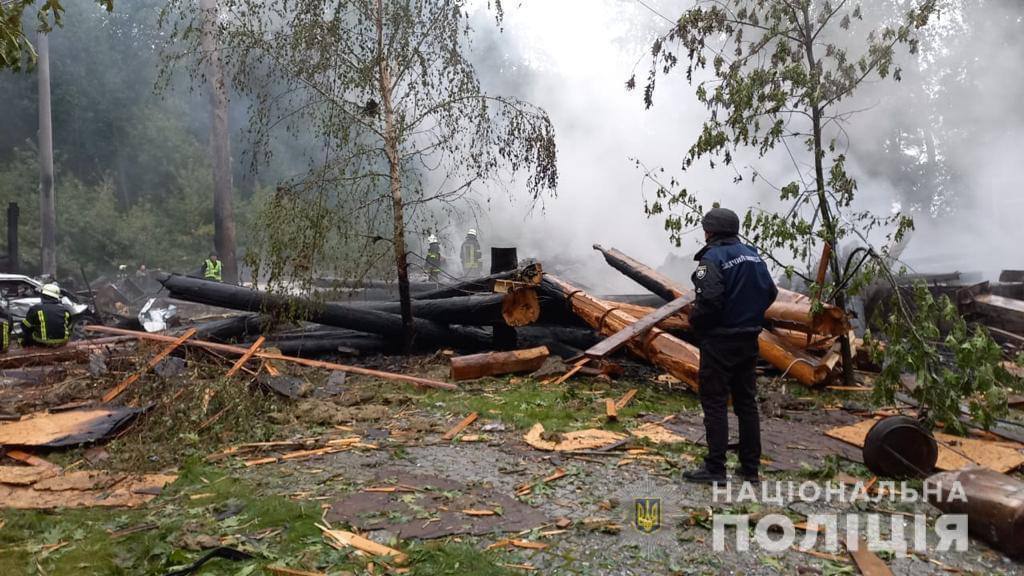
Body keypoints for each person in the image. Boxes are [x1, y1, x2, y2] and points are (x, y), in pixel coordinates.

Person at [683, 207, 777, 485]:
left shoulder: (710, 260)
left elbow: (709, 300)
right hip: (748, 339)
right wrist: (749, 316)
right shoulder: (753, 256)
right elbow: (770, 292)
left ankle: (715, 468)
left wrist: (696, 322)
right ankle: (750, 469)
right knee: (746, 404)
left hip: (719, 341)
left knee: (714, 403)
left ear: (708, 232)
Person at [21, 283, 71, 347]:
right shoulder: (65, 309)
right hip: (63, 341)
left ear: (43, 295)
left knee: (26, 333)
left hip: (42, 342)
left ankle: (27, 350)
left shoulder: (35, 308)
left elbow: (25, 326)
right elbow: (68, 324)